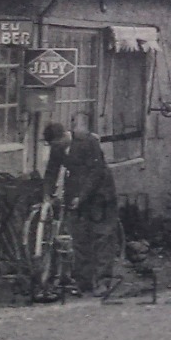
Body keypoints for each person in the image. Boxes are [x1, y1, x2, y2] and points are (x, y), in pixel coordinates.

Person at [42, 121, 122, 293]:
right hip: (77, 196)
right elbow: (51, 170)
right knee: (80, 238)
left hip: (100, 195)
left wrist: (81, 197)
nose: (55, 148)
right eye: (52, 146)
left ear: (64, 136)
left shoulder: (87, 142)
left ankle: (102, 282)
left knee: (103, 238)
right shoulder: (58, 148)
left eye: (56, 144)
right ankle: (83, 282)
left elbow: (96, 172)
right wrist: (47, 194)